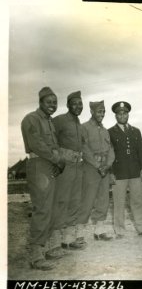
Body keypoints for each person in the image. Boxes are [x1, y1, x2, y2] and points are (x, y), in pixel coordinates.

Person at [20, 87, 66, 270]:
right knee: (42, 209)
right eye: (49, 102)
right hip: (39, 166)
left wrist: (58, 161)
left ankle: (47, 248)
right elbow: (37, 145)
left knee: (53, 207)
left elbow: (54, 146)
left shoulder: (50, 122)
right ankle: (36, 255)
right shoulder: (31, 119)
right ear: (40, 102)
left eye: (55, 103)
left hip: (50, 166)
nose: (52, 106)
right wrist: (58, 159)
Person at [108, 101, 142, 238]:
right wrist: (111, 173)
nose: (122, 115)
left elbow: (141, 152)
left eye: (125, 113)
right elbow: (109, 154)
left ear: (128, 114)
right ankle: (119, 230)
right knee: (119, 203)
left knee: (137, 201)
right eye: (119, 113)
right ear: (115, 116)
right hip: (118, 173)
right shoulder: (110, 132)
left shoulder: (135, 131)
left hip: (135, 172)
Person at [52, 90, 86, 250]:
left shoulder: (79, 123)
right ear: (67, 105)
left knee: (75, 201)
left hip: (78, 166)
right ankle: (55, 242)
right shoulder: (59, 120)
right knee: (62, 200)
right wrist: (58, 158)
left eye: (80, 103)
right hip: (65, 166)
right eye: (75, 103)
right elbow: (50, 139)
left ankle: (69, 238)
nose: (78, 106)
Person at [77, 101, 115, 241]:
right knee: (87, 199)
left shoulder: (105, 131)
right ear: (92, 111)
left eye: (103, 112)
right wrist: (97, 165)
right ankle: (79, 232)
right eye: (99, 111)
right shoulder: (84, 128)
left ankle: (99, 230)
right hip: (91, 168)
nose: (102, 114)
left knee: (103, 199)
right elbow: (84, 149)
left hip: (104, 168)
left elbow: (111, 149)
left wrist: (108, 164)